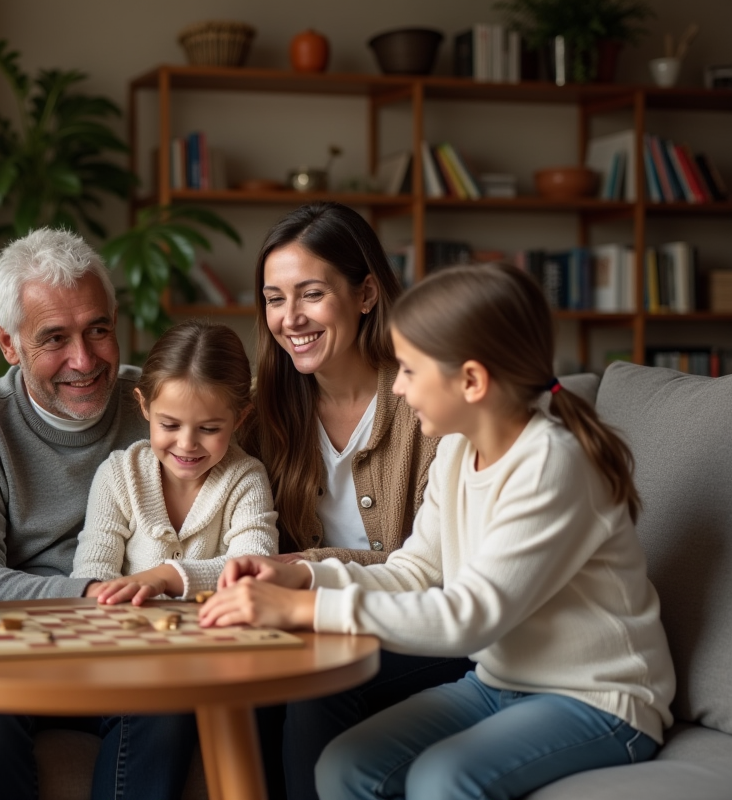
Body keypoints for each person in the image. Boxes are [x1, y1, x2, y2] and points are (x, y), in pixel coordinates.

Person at [201, 263, 676, 800]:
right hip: (500, 684)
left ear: (471, 381)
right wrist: (304, 580)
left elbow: (470, 616)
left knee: (442, 778)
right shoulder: (456, 449)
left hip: (600, 699)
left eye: (408, 370)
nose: (398, 388)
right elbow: (416, 570)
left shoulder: (552, 464)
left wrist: (302, 612)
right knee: (343, 765)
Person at [0, 228, 196, 800]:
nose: (84, 359)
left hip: (136, 647)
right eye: (54, 338)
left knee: (167, 705)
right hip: (17, 648)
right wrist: (91, 594)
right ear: (8, 342)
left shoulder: (159, 413)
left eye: (98, 329)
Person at [243, 202, 472, 799]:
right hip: (314, 626)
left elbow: (432, 572)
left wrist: (303, 569)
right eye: (273, 298)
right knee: (247, 682)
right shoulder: (260, 407)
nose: (289, 318)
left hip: (425, 632)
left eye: (310, 294)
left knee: (316, 687)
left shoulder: (427, 402)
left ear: (366, 292)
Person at [72, 320, 278, 605]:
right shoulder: (118, 475)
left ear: (239, 418)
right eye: (169, 425)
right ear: (144, 405)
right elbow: (92, 573)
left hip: (217, 639)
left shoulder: (246, 479)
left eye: (209, 429)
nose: (187, 444)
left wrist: (165, 576)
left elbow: (255, 566)